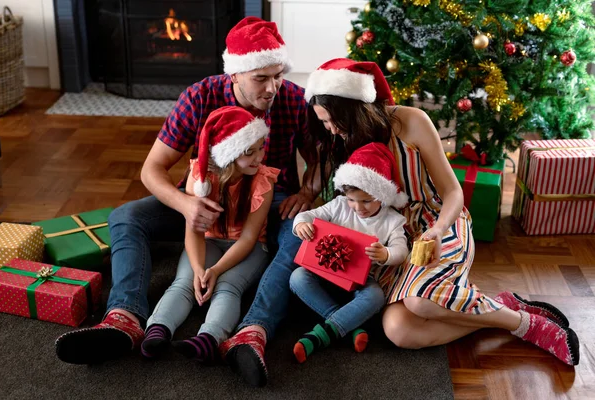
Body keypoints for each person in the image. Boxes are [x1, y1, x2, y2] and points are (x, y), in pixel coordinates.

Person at [55, 17, 318, 365]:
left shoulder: (293, 100)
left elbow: (320, 158)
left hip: (269, 200)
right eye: (261, 78)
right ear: (235, 74)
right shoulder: (199, 97)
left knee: (304, 237)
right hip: (201, 200)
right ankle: (125, 317)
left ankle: (253, 329)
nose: (272, 88)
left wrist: (309, 193)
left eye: (278, 76)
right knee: (125, 217)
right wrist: (186, 204)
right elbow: (151, 170)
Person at [302, 57, 580, 367]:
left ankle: (524, 325)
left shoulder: (412, 122)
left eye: (331, 121)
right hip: (396, 238)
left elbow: (453, 192)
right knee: (399, 330)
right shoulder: (347, 141)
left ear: (352, 108)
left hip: (439, 222)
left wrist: (436, 230)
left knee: (420, 302)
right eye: (324, 123)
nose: (330, 130)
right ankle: (496, 310)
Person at [140, 106, 279, 363]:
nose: (259, 157)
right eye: (250, 152)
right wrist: (198, 268)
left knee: (227, 287)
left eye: (261, 147)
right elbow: (193, 231)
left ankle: (209, 339)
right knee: (184, 282)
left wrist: (214, 271)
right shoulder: (201, 178)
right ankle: (158, 329)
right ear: (229, 153)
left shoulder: (263, 182)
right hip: (209, 240)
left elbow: (249, 238)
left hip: (248, 247)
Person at [290, 142, 409, 363]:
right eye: (353, 200)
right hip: (326, 275)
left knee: (376, 296)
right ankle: (348, 325)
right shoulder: (339, 205)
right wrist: (300, 226)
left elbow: (401, 251)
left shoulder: (392, 220)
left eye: (366, 201)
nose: (358, 207)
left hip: (362, 281)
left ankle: (322, 334)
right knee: (297, 277)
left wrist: (386, 255)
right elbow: (305, 216)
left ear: (382, 196)